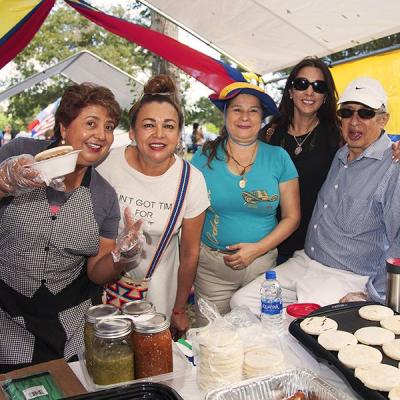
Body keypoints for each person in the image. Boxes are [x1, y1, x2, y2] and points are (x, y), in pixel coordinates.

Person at [0, 83, 137, 372]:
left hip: (69, 325)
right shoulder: (22, 154)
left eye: (109, 127)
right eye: (91, 123)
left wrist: (121, 257)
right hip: (6, 317)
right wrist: (4, 182)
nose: (101, 135)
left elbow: (96, 271)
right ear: (63, 127)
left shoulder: (104, 195)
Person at [231, 77, 400, 311]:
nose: (354, 121)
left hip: (346, 277)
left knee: (300, 335)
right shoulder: (341, 155)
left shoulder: (393, 165)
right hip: (306, 262)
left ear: (384, 120)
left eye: (365, 113)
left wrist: (374, 294)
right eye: (347, 112)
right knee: (241, 302)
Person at [97, 75, 209, 336]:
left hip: (156, 295)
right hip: (100, 287)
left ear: (178, 134)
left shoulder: (191, 181)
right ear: (133, 133)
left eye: (168, 126)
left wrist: (180, 309)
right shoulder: (107, 165)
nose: (159, 134)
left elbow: (190, 254)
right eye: (149, 125)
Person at [191, 78, 300, 326]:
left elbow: (292, 217)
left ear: (262, 118)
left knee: (259, 343)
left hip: (263, 272)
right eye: (237, 109)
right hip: (212, 273)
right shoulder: (204, 156)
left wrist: (257, 249)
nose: (244, 117)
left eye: (253, 111)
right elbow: (186, 211)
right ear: (226, 114)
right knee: (213, 342)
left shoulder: (278, 158)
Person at [262, 57, 341, 263]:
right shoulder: (270, 134)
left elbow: (370, 145)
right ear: (290, 91)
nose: (309, 92)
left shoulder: (338, 135)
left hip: (316, 253)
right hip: (268, 248)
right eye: (302, 84)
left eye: (318, 86)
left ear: (325, 96)